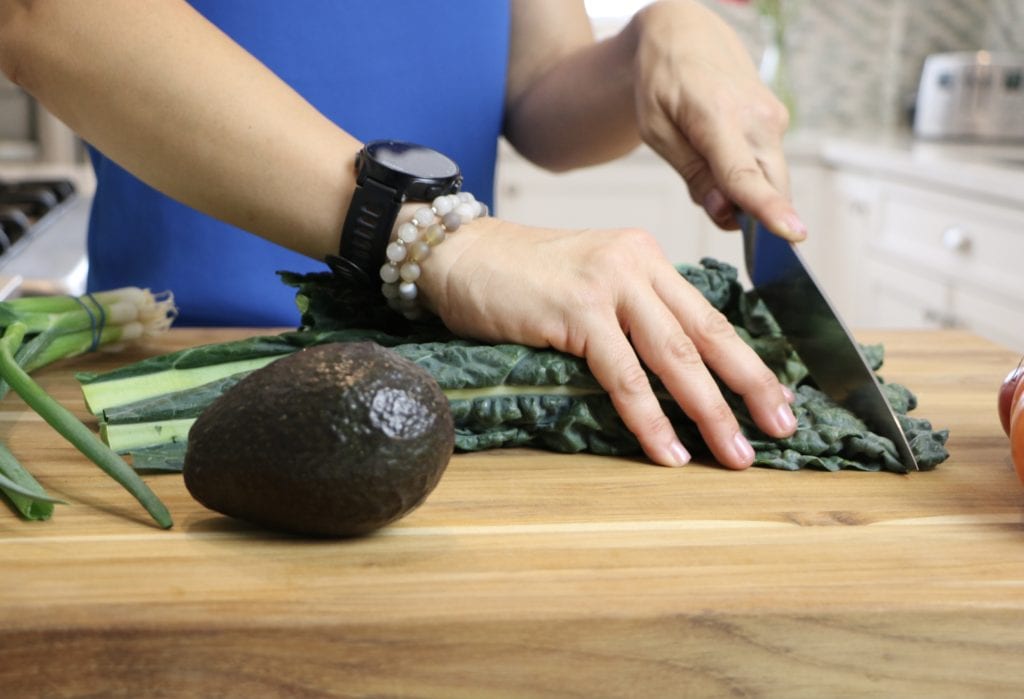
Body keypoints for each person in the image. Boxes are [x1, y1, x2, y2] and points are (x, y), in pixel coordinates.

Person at [0, 0, 803, 470]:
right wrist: (429, 236)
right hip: (173, 383)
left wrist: (656, 41)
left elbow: (537, 89)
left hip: (441, 388)